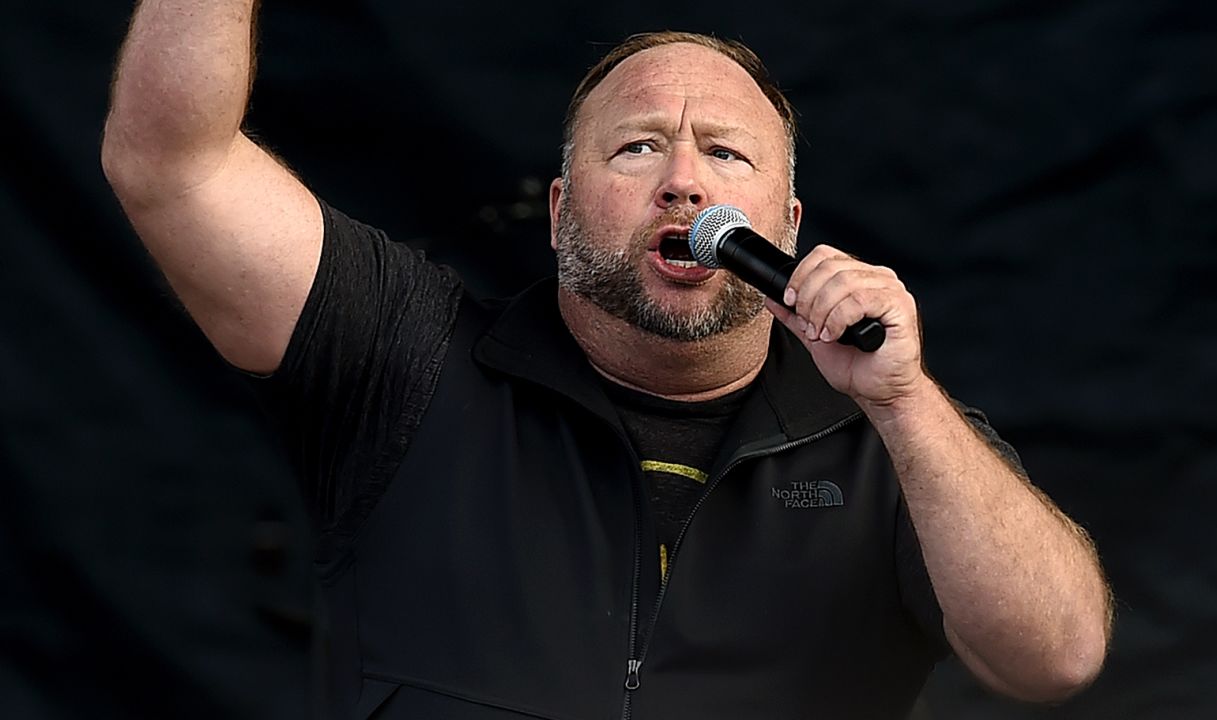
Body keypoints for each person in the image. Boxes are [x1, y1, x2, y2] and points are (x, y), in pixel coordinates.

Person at [101, 2, 1113, 717]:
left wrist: (903, 407)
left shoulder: (895, 439)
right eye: (634, 149)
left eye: (725, 154)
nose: (682, 182)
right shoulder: (405, 355)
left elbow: (1054, 658)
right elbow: (171, 163)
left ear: (786, 222)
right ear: (557, 211)